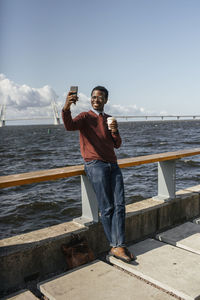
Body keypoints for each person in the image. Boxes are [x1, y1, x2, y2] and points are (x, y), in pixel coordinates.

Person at [62, 86, 135, 263]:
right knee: (107, 207)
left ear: (105, 100)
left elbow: (117, 144)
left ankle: (119, 245)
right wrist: (66, 107)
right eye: (93, 97)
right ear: (91, 99)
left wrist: (115, 130)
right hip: (95, 165)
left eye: (100, 97)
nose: (96, 99)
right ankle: (116, 245)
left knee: (120, 206)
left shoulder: (109, 119)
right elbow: (69, 125)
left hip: (113, 165)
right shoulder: (85, 117)